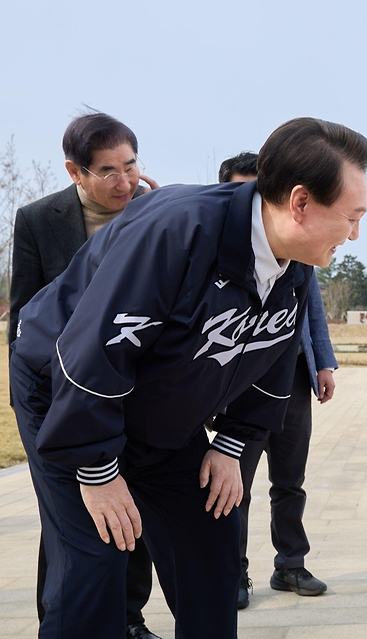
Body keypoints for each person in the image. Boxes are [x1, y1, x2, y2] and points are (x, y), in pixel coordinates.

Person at [10, 117, 367, 638]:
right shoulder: (176, 229)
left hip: (156, 400)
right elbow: (92, 351)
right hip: (66, 393)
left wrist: (233, 443)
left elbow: (273, 354)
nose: (355, 234)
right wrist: (96, 468)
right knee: (96, 559)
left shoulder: (292, 261)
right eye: (352, 217)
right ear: (300, 203)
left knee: (210, 538)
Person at [8, 112, 162, 639]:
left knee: (128, 510)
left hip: (126, 389)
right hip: (53, 389)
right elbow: (25, 312)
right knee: (69, 519)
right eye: (108, 172)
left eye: (131, 165)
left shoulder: (155, 211)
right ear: (76, 172)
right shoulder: (38, 219)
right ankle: (60, 619)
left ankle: (128, 618)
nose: (125, 182)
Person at [219, 152, 338, 609]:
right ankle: (234, 571)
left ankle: (290, 563)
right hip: (239, 387)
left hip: (292, 384)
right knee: (235, 486)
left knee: (290, 480)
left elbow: (313, 311)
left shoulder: (297, 246)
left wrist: (323, 364)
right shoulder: (221, 250)